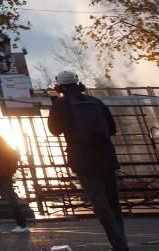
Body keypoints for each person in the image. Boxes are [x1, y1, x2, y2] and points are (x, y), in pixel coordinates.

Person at [48, 70, 128, 251]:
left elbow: (54, 130)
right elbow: (112, 129)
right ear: (78, 84)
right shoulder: (97, 102)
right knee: (113, 202)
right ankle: (119, 243)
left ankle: (119, 244)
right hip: (107, 156)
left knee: (99, 202)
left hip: (82, 158)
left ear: (59, 86)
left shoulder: (61, 104)